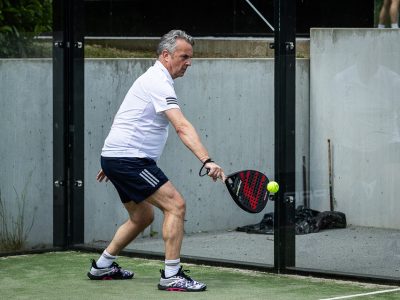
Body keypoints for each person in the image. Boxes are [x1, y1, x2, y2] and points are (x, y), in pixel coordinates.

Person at [87, 29, 225, 292]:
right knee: (176, 205)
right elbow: (181, 126)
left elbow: (125, 116)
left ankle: (103, 265)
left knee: (142, 216)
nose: (189, 62)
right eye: (184, 56)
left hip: (119, 158)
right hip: (130, 160)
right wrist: (207, 160)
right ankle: (171, 275)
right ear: (166, 55)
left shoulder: (152, 80)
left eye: (190, 57)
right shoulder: (158, 82)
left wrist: (111, 160)